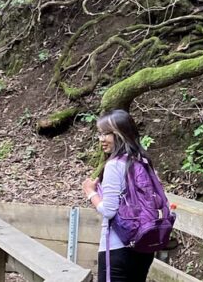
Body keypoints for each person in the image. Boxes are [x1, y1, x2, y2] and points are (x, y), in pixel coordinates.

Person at [81, 109, 155, 282]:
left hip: (117, 247)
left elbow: (109, 210)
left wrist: (90, 192)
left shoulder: (114, 165)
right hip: (143, 246)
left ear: (121, 134)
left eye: (107, 134)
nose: (101, 139)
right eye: (100, 134)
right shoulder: (143, 161)